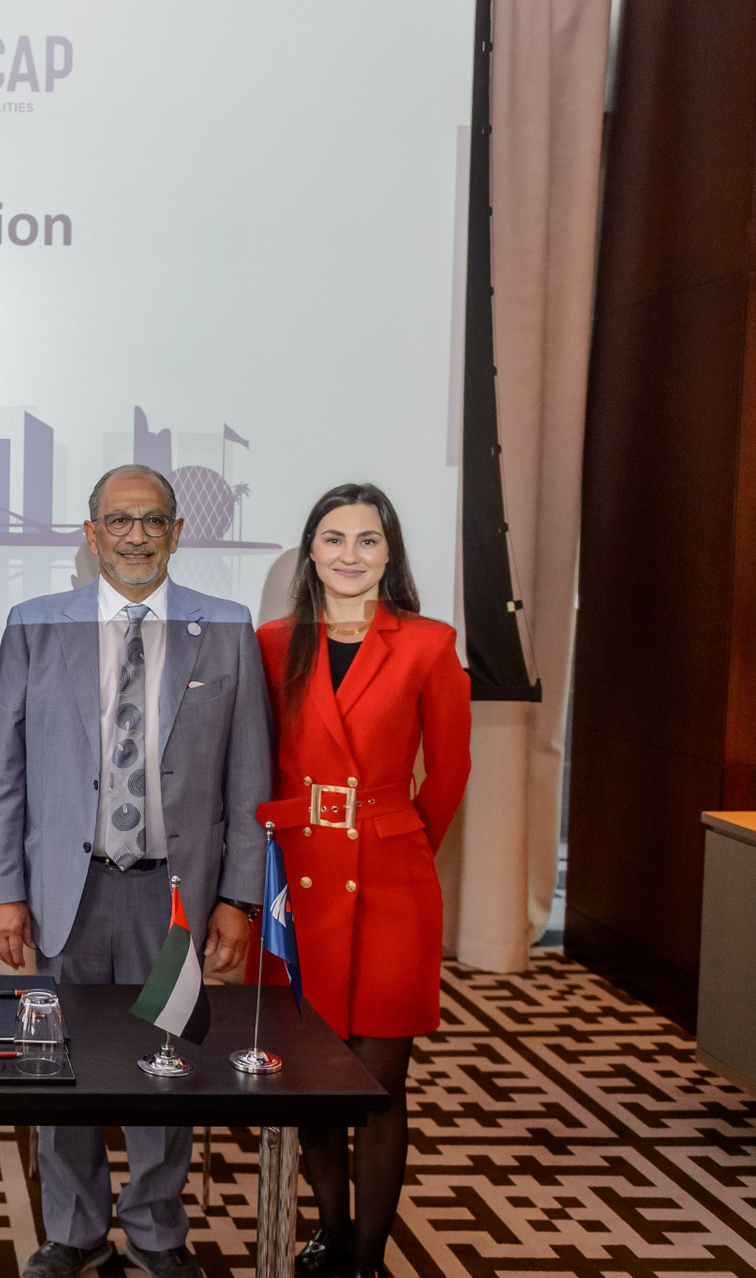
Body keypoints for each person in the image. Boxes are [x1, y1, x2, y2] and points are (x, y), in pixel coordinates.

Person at [0, 464, 272, 1278]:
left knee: (166, 1062)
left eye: (152, 521)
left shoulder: (227, 627)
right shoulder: (35, 625)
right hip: (64, 891)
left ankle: (155, 1228)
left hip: (174, 893)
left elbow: (250, 778)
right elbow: (3, 773)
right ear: (91, 533)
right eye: (118, 520)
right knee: (57, 1061)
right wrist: (2, 890)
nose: (135, 536)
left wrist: (239, 898)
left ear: (177, 533)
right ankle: (73, 1229)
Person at [252, 484, 470, 1278]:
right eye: (334, 538)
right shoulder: (271, 643)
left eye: (368, 540)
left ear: (390, 553)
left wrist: (398, 843)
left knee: (379, 1085)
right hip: (298, 882)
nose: (351, 554)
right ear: (311, 551)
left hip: (390, 886)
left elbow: (449, 773)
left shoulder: (430, 644)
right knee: (311, 1079)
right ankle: (332, 1233)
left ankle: (368, 1260)